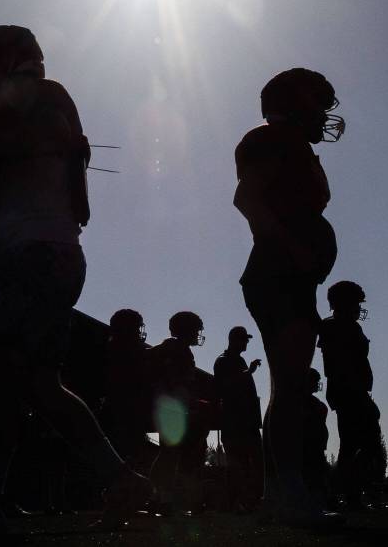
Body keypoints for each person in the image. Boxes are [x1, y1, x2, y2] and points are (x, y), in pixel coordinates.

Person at [0, 25, 150, 536]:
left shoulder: (42, 98)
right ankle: (118, 478)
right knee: (38, 382)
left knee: (1, 376)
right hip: (47, 252)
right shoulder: (33, 110)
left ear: (7, 67)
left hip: (36, 254)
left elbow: (43, 143)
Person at [233, 68, 345, 528]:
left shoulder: (291, 144)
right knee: (290, 383)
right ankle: (288, 491)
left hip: (290, 275)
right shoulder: (271, 138)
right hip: (279, 274)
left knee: (290, 383)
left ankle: (280, 492)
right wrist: (292, 249)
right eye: (317, 103)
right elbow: (247, 198)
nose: (323, 114)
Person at [318, 280, 379, 510]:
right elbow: (341, 363)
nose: (358, 308)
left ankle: (343, 491)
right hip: (349, 390)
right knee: (361, 443)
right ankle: (342, 490)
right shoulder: (340, 326)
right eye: (355, 303)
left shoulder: (337, 325)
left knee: (352, 444)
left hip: (349, 391)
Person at [148, 311, 209, 515]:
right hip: (173, 409)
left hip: (167, 407)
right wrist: (190, 404)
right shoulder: (179, 350)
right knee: (173, 455)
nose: (198, 334)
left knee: (169, 454)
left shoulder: (169, 348)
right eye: (196, 329)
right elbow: (176, 382)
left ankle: (158, 496)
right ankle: (161, 497)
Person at [213, 326, 263, 512]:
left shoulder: (238, 360)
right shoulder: (223, 361)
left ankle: (249, 501)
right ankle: (233, 502)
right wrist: (248, 372)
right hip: (234, 421)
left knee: (252, 462)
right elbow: (225, 387)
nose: (246, 343)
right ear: (234, 340)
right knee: (237, 463)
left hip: (246, 421)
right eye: (243, 339)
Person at [102, 309, 152, 466]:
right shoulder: (127, 352)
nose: (139, 332)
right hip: (125, 414)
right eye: (136, 328)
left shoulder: (110, 348)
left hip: (118, 412)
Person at [303, 368, 330, 512]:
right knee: (313, 473)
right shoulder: (304, 402)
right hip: (309, 444)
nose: (317, 384)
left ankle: (319, 500)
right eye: (315, 381)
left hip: (316, 443)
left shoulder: (315, 402)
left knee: (317, 472)